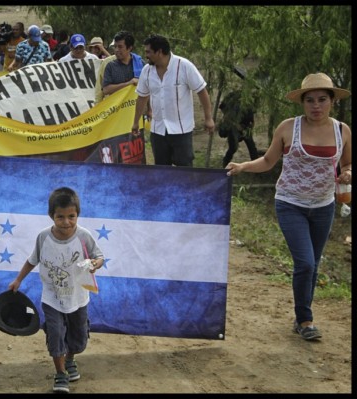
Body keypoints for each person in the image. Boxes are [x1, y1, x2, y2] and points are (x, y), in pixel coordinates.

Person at [226, 72, 352, 341]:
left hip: (324, 205)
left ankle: (301, 315)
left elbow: (348, 164)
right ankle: (306, 320)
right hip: (290, 203)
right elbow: (268, 161)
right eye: (310, 100)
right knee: (305, 263)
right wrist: (243, 166)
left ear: (331, 101)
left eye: (321, 100)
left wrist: (348, 173)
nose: (316, 106)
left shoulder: (342, 131)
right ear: (302, 103)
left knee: (314, 264)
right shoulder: (288, 128)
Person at [7, 187, 104, 393]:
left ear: (78, 215)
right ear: (51, 215)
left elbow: (99, 256)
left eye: (72, 216)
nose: (66, 222)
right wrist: (18, 280)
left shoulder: (84, 236)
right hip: (51, 298)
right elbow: (32, 260)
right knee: (56, 332)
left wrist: (96, 263)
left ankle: (70, 358)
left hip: (78, 298)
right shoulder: (44, 237)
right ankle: (60, 373)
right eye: (60, 217)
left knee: (78, 337)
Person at [131, 34, 215, 167]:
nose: (145, 55)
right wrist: (135, 122)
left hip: (181, 130)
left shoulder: (184, 66)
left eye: (148, 52)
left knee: (184, 169)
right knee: (162, 170)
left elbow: (201, 91)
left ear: (159, 52)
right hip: (158, 130)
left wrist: (208, 118)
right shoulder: (146, 71)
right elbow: (142, 97)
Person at [219, 89, 260, 167]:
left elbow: (252, 115)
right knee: (233, 148)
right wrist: (236, 125)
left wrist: (250, 126)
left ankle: (257, 170)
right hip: (233, 128)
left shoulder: (252, 100)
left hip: (246, 127)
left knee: (252, 148)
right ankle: (225, 165)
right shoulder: (232, 99)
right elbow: (226, 116)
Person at [101, 31, 145, 99]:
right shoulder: (111, 66)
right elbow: (106, 90)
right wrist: (129, 83)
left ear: (129, 48)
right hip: (118, 108)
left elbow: (148, 88)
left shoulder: (140, 64)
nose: (116, 50)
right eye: (115, 47)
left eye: (120, 47)